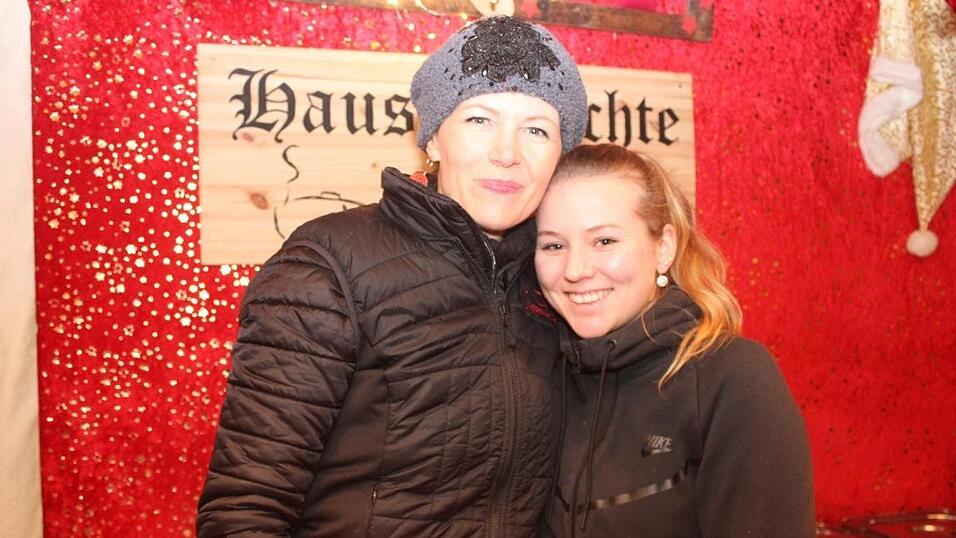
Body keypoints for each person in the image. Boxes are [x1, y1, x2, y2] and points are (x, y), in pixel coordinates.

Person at [196, 15, 588, 538]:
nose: (507, 152)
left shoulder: (558, 276)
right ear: (432, 138)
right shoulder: (330, 262)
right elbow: (247, 506)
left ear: (559, 157)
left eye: (536, 129)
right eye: (479, 119)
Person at [534, 144, 815, 537]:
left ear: (663, 247)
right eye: (553, 245)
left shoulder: (733, 378)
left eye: (604, 241)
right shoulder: (541, 375)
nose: (575, 270)